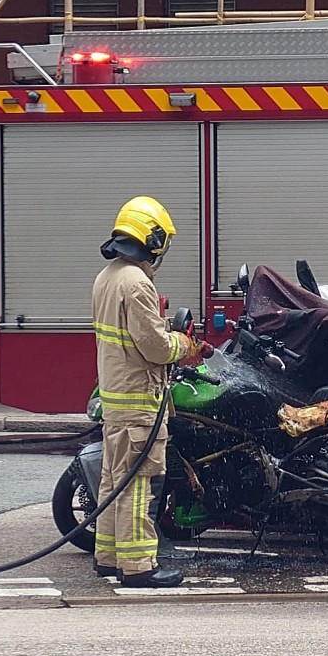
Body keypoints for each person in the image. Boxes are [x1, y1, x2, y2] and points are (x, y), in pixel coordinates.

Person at [92, 195, 200, 588]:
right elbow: (154, 346)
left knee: (112, 479)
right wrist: (182, 344)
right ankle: (138, 567)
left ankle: (108, 556)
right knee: (139, 482)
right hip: (139, 400)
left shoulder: (108, 276)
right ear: (151, 237)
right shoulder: (136, 283)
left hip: (115, 398)